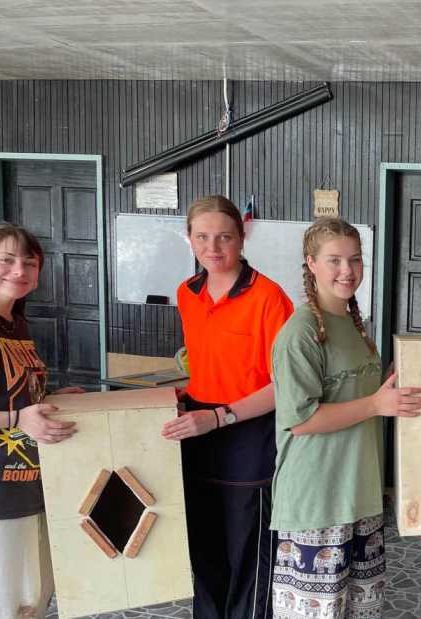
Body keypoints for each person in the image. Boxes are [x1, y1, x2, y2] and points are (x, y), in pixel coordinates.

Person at [268, 217, 421, 618]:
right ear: (311, 263)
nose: (347, 271)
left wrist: (392, 382)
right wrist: (376, 405)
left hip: (359, 495)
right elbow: (300, 420)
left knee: (360, 612)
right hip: (318, 501)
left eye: (355, 260)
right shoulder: (299, 333)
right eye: (334, 260)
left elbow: (363, 397)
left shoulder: (356, 326)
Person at [162, 195, 294, 618]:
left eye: (224, 237)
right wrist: (181, 398)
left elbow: (286, 387)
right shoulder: (187, 293)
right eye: (202, 236)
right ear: (189, 239)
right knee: (204, 550)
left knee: (247, 557)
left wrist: (220, 416)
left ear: (242, 237)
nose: (213, 247)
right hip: (197, 434)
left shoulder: (270, 298)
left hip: (248, 436)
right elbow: (206, 366)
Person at [0, 223, 79, 619]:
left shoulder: (14, 321)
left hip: (31, 488)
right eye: (6, 260)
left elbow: (14, 397)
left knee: (29, 605)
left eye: (30, 263)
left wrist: (52, 400)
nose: (19, 271)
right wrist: (16, 417)